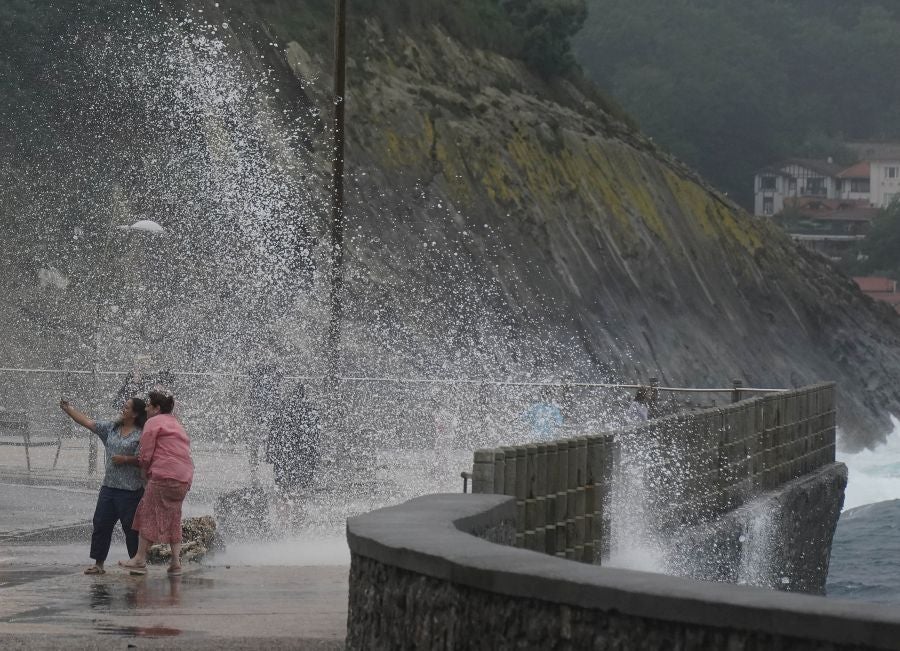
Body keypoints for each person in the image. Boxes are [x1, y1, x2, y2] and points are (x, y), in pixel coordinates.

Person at [59, 397, 147, 575]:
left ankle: (137, 563)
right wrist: (69, 409)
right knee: (101, 524)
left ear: (135, 413)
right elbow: (88, 423)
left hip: (130, 491)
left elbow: (144, 460)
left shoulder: (142, 434)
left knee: (131, 529)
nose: (123, 408)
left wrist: (126, 459)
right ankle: (99, 564)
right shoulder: (112, 428)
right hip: (109, 487)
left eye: (127, 407)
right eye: (124, 405)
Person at [119, 390, 194, 576]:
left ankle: (139, 559)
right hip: (184, 478)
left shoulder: (153, 422)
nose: (145, 408)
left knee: (147, 513)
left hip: (163, 476)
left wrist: (143, 470)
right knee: (174, 517)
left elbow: (146, 452)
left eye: (148, 405)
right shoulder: (176, 423)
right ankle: (176, 562)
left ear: (157, 408)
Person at [266, 383, 320, 493]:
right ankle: (297, 491)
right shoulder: (309, 410)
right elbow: (314, 433)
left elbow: (274, 430)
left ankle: (284, 490)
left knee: (284, 474)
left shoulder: (283, 408)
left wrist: (271, 451)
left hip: (286, 446)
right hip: (298, 447)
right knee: (297, 474)